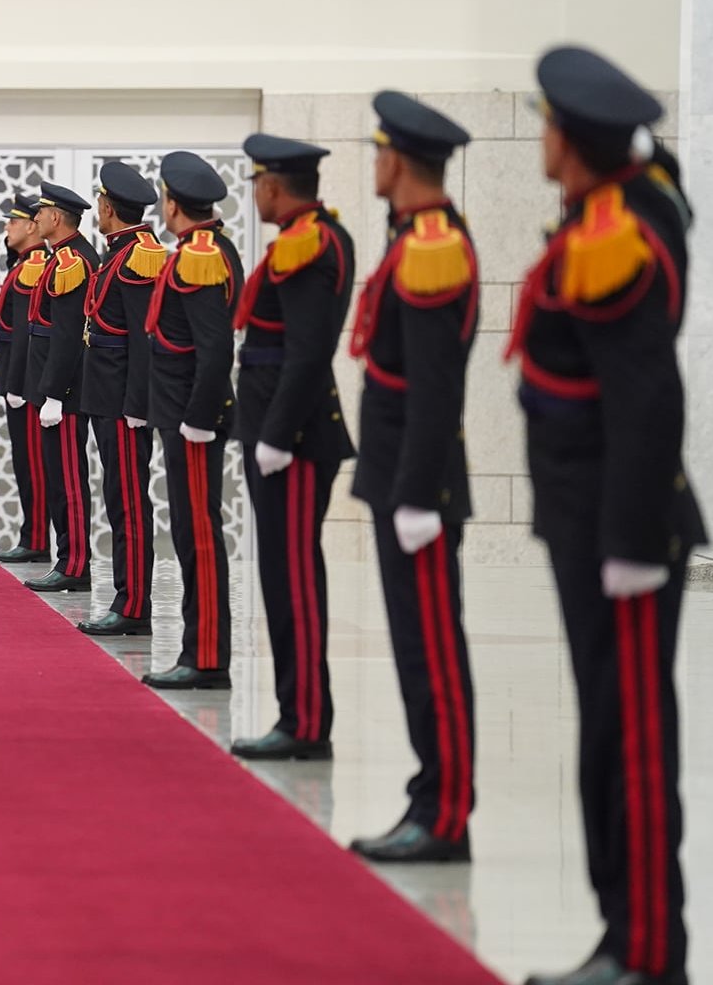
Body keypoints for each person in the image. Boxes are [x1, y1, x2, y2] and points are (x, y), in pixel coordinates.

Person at [514, 46, 703, 985]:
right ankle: (622, 936)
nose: (542, 138)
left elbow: (645, 394)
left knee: (628, 739)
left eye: (548, 124)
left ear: (573, 140)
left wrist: (631, 539)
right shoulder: (604, 216)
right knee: (607, 734)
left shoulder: (619, 232)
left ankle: (648, 952)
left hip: (616, 526)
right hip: (587, 517)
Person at [346, 91, 479, 862]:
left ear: (398, 161)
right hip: (400, 476)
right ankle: (430, 798)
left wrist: (420, 491)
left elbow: (434, 383)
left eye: (379, 152)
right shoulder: (413, 236)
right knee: (414, 649)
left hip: (416, 484)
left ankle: (447, 811)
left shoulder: (432, 246)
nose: (376, 163)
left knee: (433, 649)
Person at [229, 134, 356, 761]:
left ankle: (305, 722)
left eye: (257, 184)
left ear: (275, 186)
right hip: (277, 434)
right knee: (282, 577)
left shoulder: (311, 244)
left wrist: (277, 436)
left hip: (295, 442)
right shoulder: (305, 238)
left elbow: (308, 353)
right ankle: (297, 714)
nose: (255, 194)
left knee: (295, 579)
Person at [141, 152, 242, 691]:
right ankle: (197, 652)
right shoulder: (206, 248)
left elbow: (213, 347)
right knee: (188, 532)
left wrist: (199, 419)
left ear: (172, 203)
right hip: (182, 418)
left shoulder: (200, 256)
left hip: (192, 422)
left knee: (198, 536)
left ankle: (204, 659)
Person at [74, 162, 166, 636]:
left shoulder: (139, 257)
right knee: (118, 499)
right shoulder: (121, 253)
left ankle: (133, 606)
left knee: (129, 503)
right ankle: (127, 598)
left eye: (100, 203)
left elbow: (143, 338)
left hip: (124, 403)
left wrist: (137, 405)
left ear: (108, 207)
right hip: (106, 396)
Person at [20, 182, 101, 593]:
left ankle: (74, 564)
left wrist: (55, 392)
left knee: (68, 479)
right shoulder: (61, 257)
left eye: (40, 212)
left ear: (55, 217)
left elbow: (68, 334)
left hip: (64, 392)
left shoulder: (73, 261)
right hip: (51, 387)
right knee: (58, 478)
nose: (35, 219)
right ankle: (66, 559)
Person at [0, 194, 51, 564]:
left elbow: (28, 332)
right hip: (18, 379)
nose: (6, 228)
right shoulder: (23, 263)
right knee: (25, 461)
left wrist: (17, 384)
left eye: (13, 222)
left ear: (32, 226)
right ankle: (33, 535)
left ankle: (37, 538)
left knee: (33, 462)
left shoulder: (35, 264)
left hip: (27, 383)